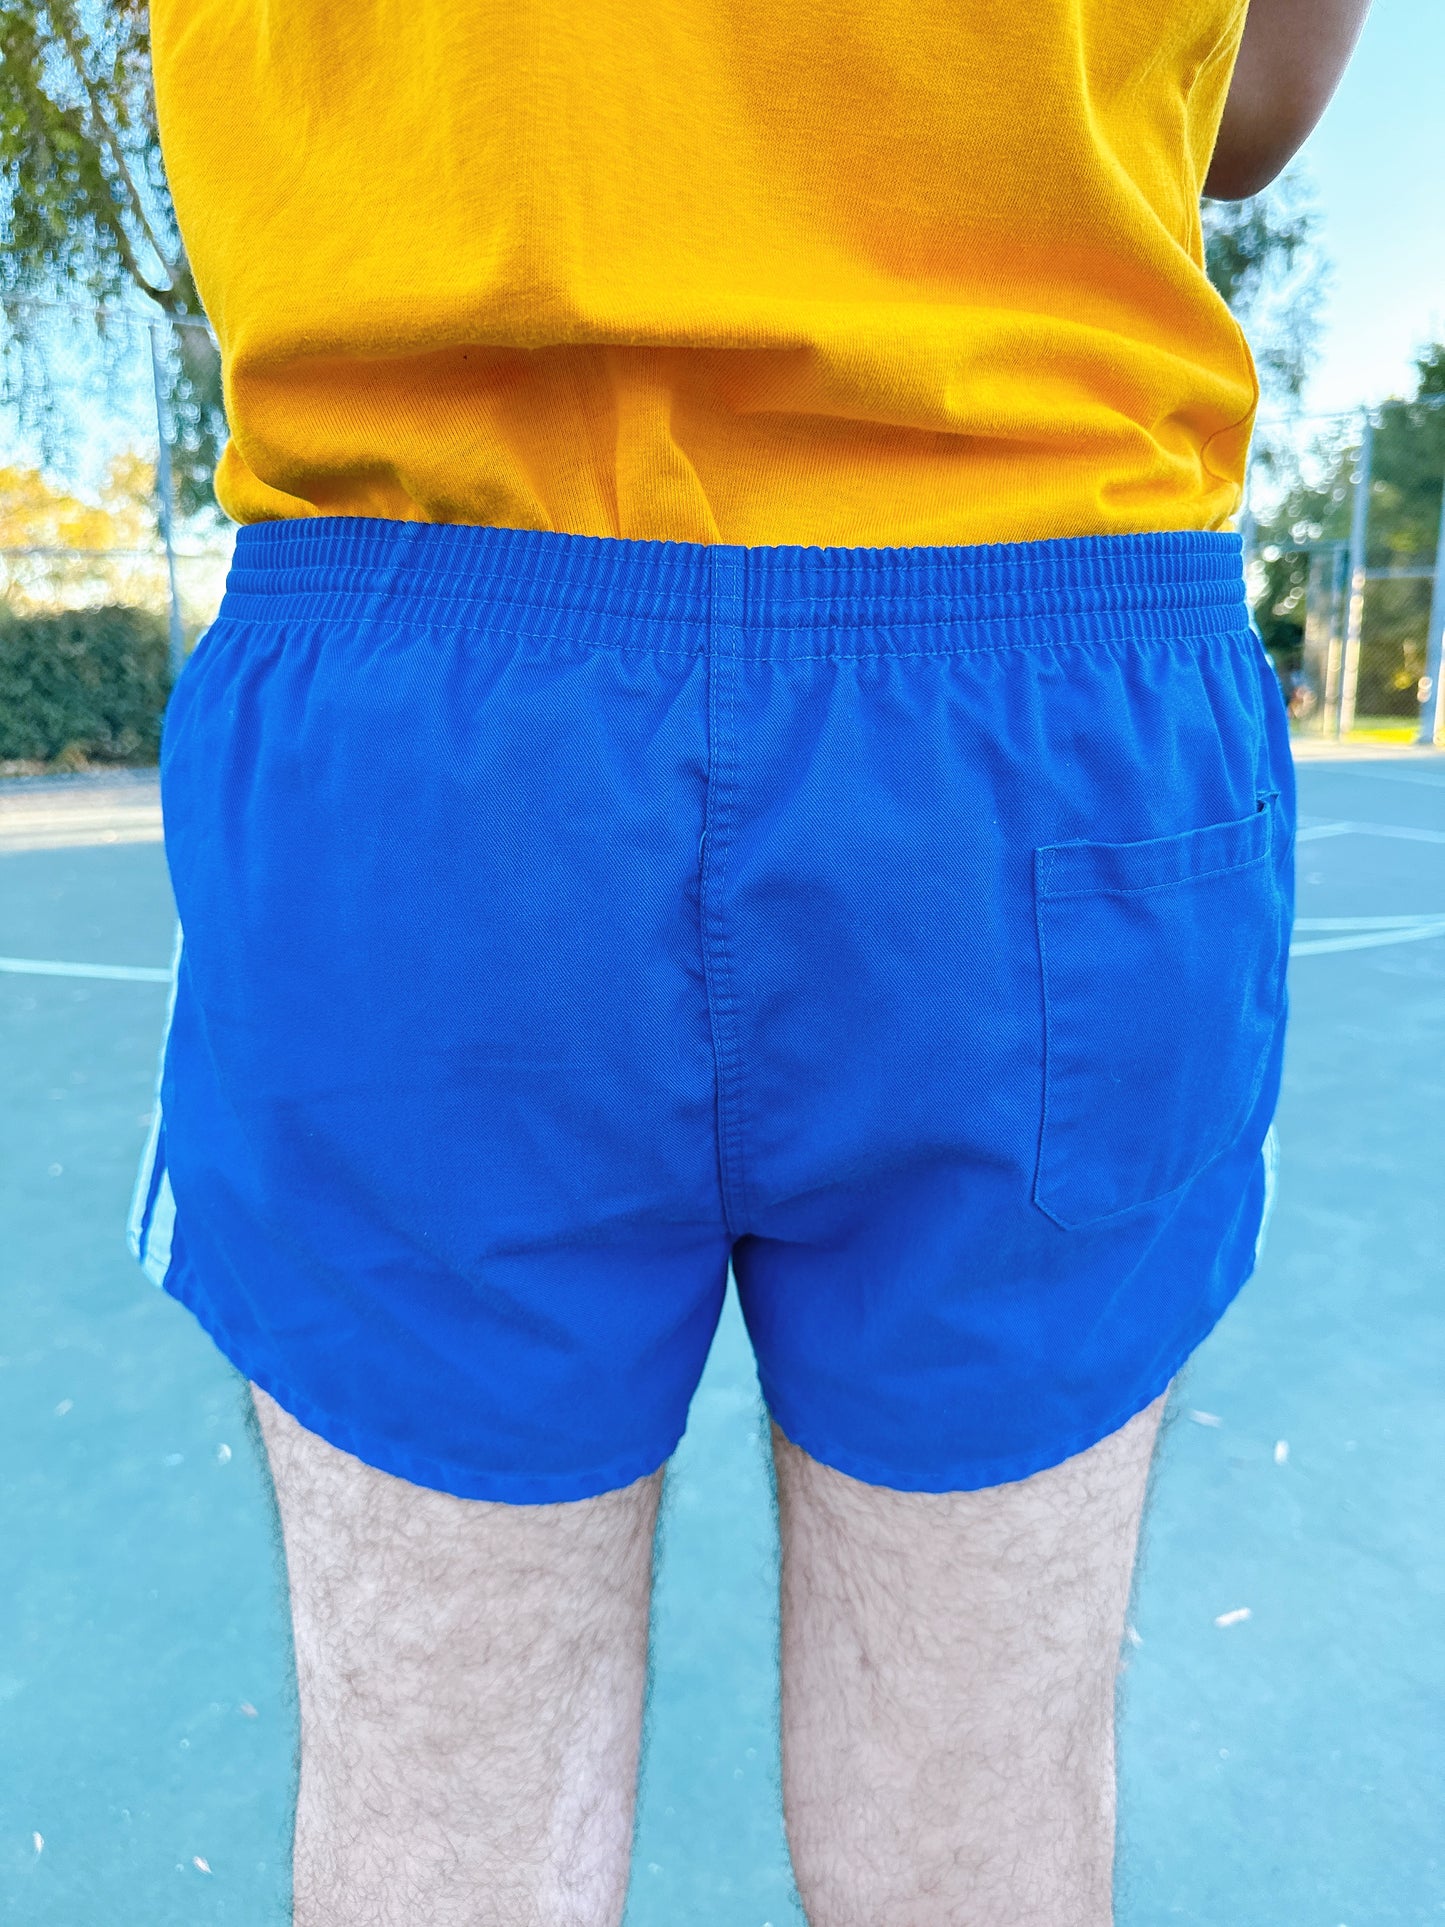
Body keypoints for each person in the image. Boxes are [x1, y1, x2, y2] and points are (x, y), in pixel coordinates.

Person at [130, 1, 1369, 1920]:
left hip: (426, 671)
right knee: (980, 1830)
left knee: (443, 1822)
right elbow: (1259, 103)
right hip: (1028, 688)